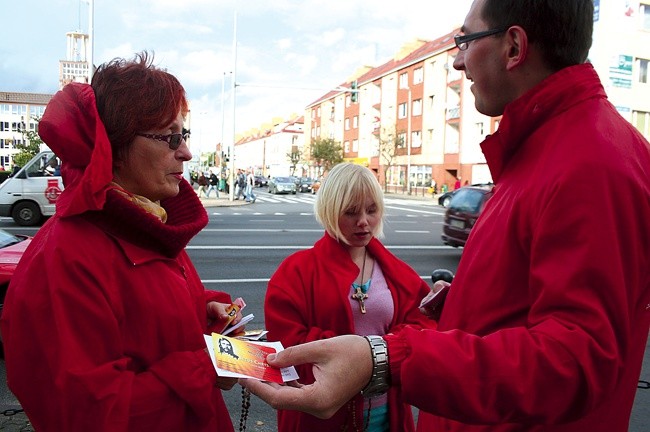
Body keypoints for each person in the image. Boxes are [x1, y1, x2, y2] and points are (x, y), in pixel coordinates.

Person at [242, 1, 650, 431]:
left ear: (514, 47)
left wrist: (382, 357)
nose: (457, 60)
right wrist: (463, 305)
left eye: (466, 41)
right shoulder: (551, 149)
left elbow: (573, 359)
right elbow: (528, 309)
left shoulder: (588, 163)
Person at [0, 52, 241, 432]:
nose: (187, 152)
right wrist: (203, 368)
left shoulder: (148, 224)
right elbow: (85, 414)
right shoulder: (65, 258)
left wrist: (205, 315)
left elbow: (144, 321)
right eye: (170, 137)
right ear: (115, 146)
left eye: (185, 134)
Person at [264, 162, 435, 432]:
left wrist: (380, 353)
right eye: (351, 212)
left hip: (386, 412)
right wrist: (366, 355)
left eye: (371, 210)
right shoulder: (295, 272)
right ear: (330, 211)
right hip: (320, 418)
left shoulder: (398, 272)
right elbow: (286, 344)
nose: (363, 221)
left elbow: (424, 324)